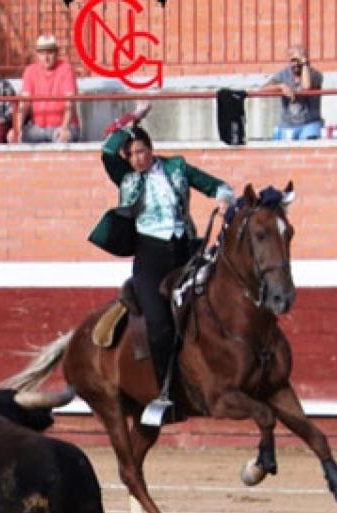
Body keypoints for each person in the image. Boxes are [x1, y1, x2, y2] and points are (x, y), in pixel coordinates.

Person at [97, 102, 234, 402]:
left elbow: (217, 186)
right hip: (151, 256)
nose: (137, 159)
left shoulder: (177, 167)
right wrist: (134, 118)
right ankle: (165, 389)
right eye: (131, 154)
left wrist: (224, 200)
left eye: (141, 151)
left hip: (186, 249)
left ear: (151, 148)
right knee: (158, 324)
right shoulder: (127, 177)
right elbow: (108, 151)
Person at [7, 34, 80, 143]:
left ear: (56, 53)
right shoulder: (30, 71)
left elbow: (69, 102)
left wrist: (64, 127)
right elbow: (24, 103)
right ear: (37, 54)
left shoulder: (66, 69)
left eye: (50, 52)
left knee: (63, 138)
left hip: (62, 127)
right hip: (37, 128)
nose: (46, 58)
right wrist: (17, 129)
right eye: (42, 53)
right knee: (13, 137)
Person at [262, 45, 324, 140]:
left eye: (298, 60)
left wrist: (304, 64)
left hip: (310, 123)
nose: (295, 64)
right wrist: (280, 87)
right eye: (293, 60)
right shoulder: (283, 74)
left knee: (308, 143)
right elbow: (263, 89)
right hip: (287, 125)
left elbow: (306, 87)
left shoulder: (315, 74)